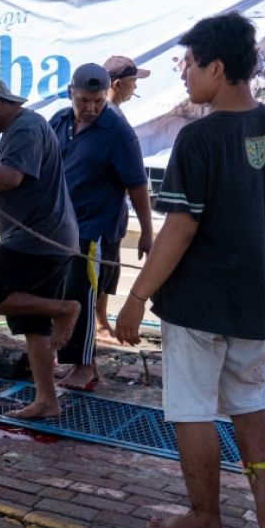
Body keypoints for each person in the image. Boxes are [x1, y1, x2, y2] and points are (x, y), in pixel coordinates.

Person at [115, 12, 265, 528]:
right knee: (251, 405)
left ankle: (206, 521)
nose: (184, 74)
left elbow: (180, 227)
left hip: (198, 305)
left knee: (192, 411)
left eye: (190, 64)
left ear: (218, 67)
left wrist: (135, 298)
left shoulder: (198, 138)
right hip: (255, 303)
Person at [0, 75, 80, 420]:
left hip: (36, 242)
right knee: (31, 324)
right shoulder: (21, 129)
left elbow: (9, 178)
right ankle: (46, 400)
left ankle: (63, 308)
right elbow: (6, 185)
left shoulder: (24, 128)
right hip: (48, 239)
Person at [48, 62, 153, 390]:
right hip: (59, 228)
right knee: (63, 295)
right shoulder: (59, 122)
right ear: (71, 95)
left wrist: (148, 232)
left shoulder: (117, 131)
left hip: (93, 229)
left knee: (82, 296)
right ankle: (69, 361)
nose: (91, 108)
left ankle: (86, 367)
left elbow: (137, 184)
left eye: (97, 101)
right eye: (84, 101)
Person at [98, 54, 155, 339]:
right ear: (118, 84)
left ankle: (99, 321)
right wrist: (147, 229)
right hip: (101, 212)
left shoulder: (114, 116)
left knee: (109, 267)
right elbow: (135, 181)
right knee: (100, 268)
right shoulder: (110, 119)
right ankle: (96, 324)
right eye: (133, 82)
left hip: (111, 213)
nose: (136, 88)